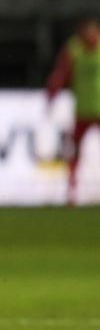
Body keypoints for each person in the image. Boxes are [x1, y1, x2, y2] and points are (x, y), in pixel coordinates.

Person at [46, 16, 100, 205]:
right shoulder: (74, 49)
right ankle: (72, 191)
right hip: (82, 110)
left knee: (75, 149)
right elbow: (61, 73)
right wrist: (52, 92)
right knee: (75, 150)